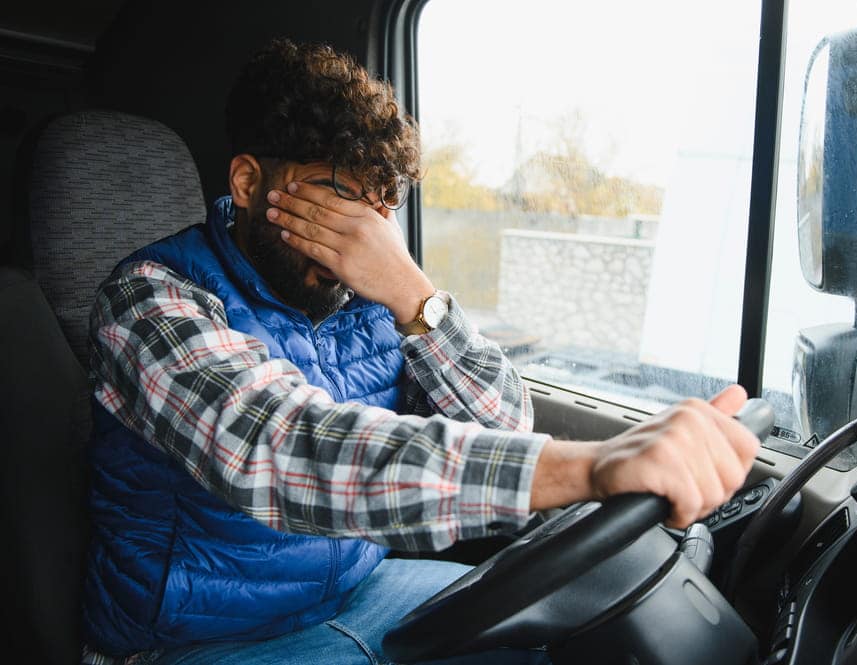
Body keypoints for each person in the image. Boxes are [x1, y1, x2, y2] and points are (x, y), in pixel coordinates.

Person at [80, 39, 760, 665]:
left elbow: (502, 425)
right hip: (195, 638)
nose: (363, 233)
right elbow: (279, 447)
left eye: (381, 209)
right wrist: (593, 463)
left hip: (362, 590)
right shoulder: (150, 301)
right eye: (341, 197)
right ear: (252, 183)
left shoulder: (372, 292)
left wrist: (415, 295)